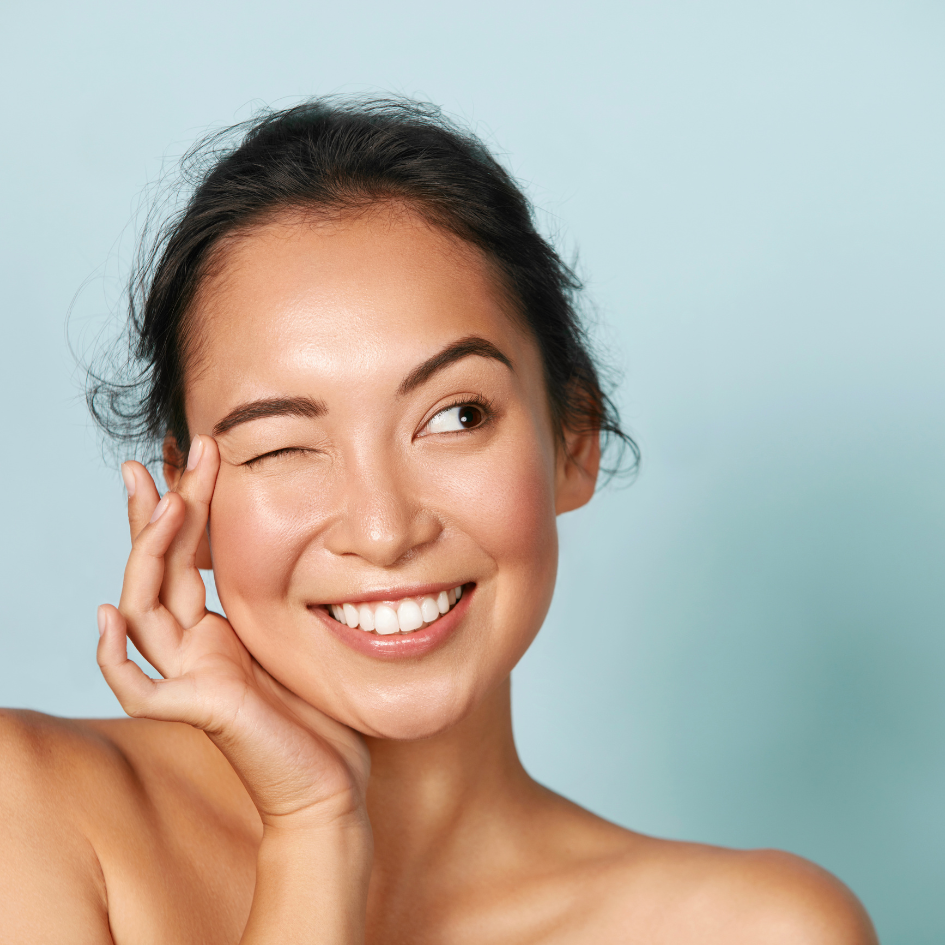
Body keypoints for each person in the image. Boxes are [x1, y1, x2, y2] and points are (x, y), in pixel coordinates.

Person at [0, 98, 877, 944]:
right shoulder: (34, 813)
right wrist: (314, 828)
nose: (383, 531)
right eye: (281, 447)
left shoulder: (758, 929)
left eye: (455, 416)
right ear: (186, 496)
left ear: (572, 439)